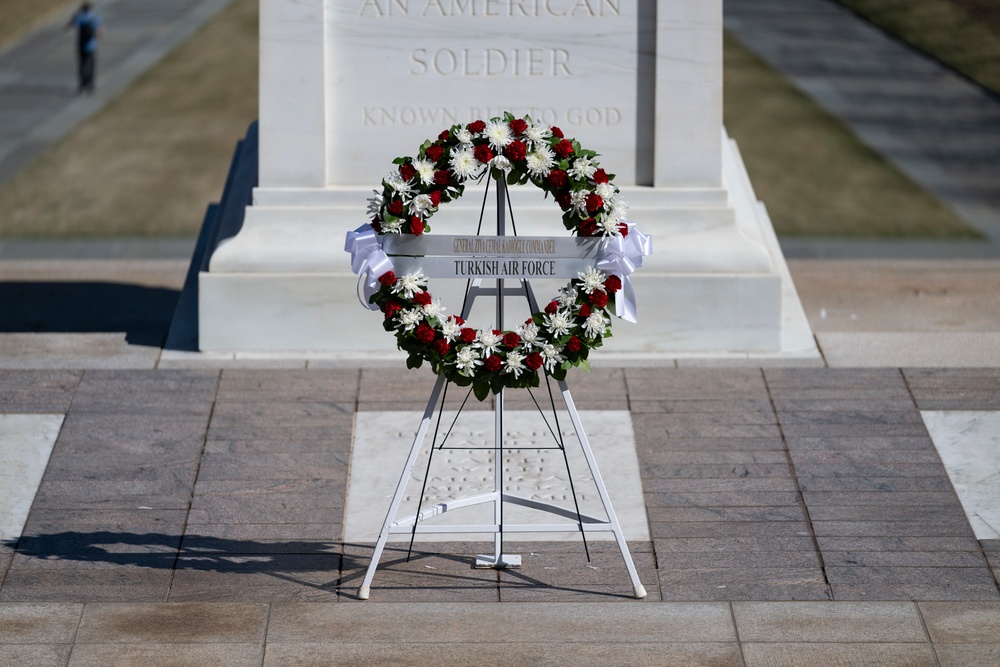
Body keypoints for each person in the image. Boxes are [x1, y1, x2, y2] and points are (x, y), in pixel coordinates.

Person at [66, 3, 103, 93]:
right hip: (91, 45)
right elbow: (100, 30)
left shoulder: (80, 17)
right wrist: (96, 37)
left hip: (81, 45)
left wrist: (74, 15)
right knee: (91, 65)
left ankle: (82, 84)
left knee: (82, 65)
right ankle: (91, 84)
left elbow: (69, 25)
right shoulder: (94, 17)